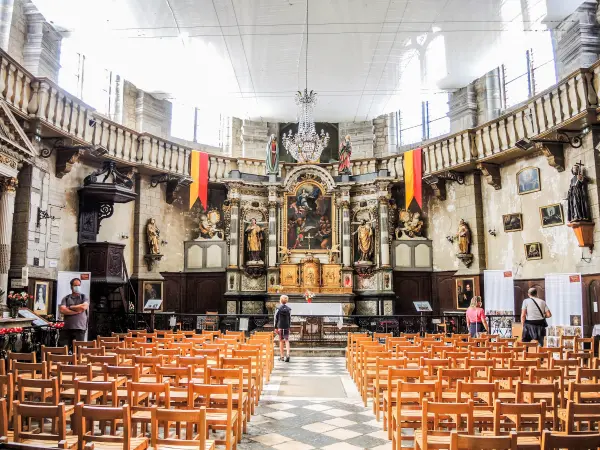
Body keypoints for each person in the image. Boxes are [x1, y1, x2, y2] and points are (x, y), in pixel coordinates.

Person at [59, 278, 90, 352]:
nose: (77, 287)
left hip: (80, 328)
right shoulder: (66, 298)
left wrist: (70, 307)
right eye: (75, 285)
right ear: (71, 287)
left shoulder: (83, 297)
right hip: (67, 328)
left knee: (78, 351)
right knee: (63, 350)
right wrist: (76, 311)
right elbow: (62, 310)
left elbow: (83, 307)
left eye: (79, 285)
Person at [274, 295, 292, 362]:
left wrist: (275, 327)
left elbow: (276, 318)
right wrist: (289, 326)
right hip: (287, 326)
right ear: (287, 301)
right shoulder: (289, 309)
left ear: (280, 300)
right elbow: (290, 318)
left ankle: (282, 356)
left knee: (281, 341)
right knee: (287, 340)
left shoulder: (278, 309)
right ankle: (288, 354)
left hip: (280, 326)